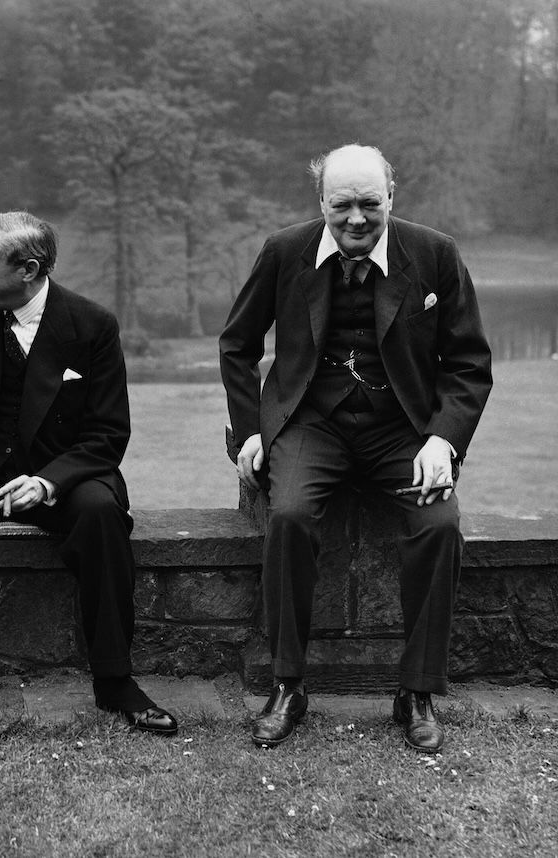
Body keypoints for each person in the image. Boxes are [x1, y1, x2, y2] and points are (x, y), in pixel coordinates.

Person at [219, 144, 493, 753]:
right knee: (289, 516)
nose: (356, 218)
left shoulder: (435, 253)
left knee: (440, 526)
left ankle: (416, 691)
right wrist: (251, 430)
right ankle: (287, 685)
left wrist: (443, 440)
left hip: (403, 429)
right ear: (321, 201)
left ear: (391, 196)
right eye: (341, 205)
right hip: (311, 423)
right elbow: (237, 344)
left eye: (370, 203)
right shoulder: (284, 250)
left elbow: (469, 362)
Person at [0, 211, 178, 746]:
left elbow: (108, 433)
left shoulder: (92, 325)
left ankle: (115, 681)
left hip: (61, 476)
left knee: (100, 512)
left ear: (28, 269)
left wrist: (48, 482)